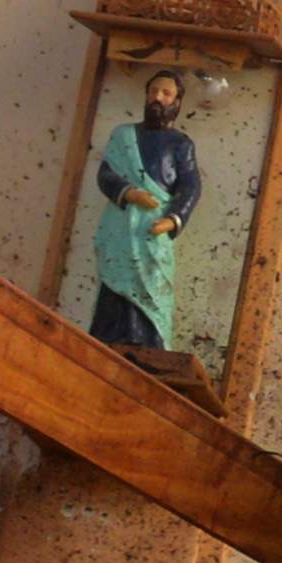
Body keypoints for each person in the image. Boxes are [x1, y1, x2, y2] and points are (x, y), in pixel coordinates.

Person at [88, 68, 200, 351]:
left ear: (177, 102)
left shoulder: (181, 144)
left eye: (166, 93)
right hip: (122, 223)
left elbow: (190, 185)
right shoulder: (123, 135)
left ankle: (149, 341)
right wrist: (130, 193)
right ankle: (109, 336)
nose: (157, 98)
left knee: (152, 281)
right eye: (153, 91)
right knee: (117, 277)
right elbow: (106, 174)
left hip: (153, 229)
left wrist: (172, 220)